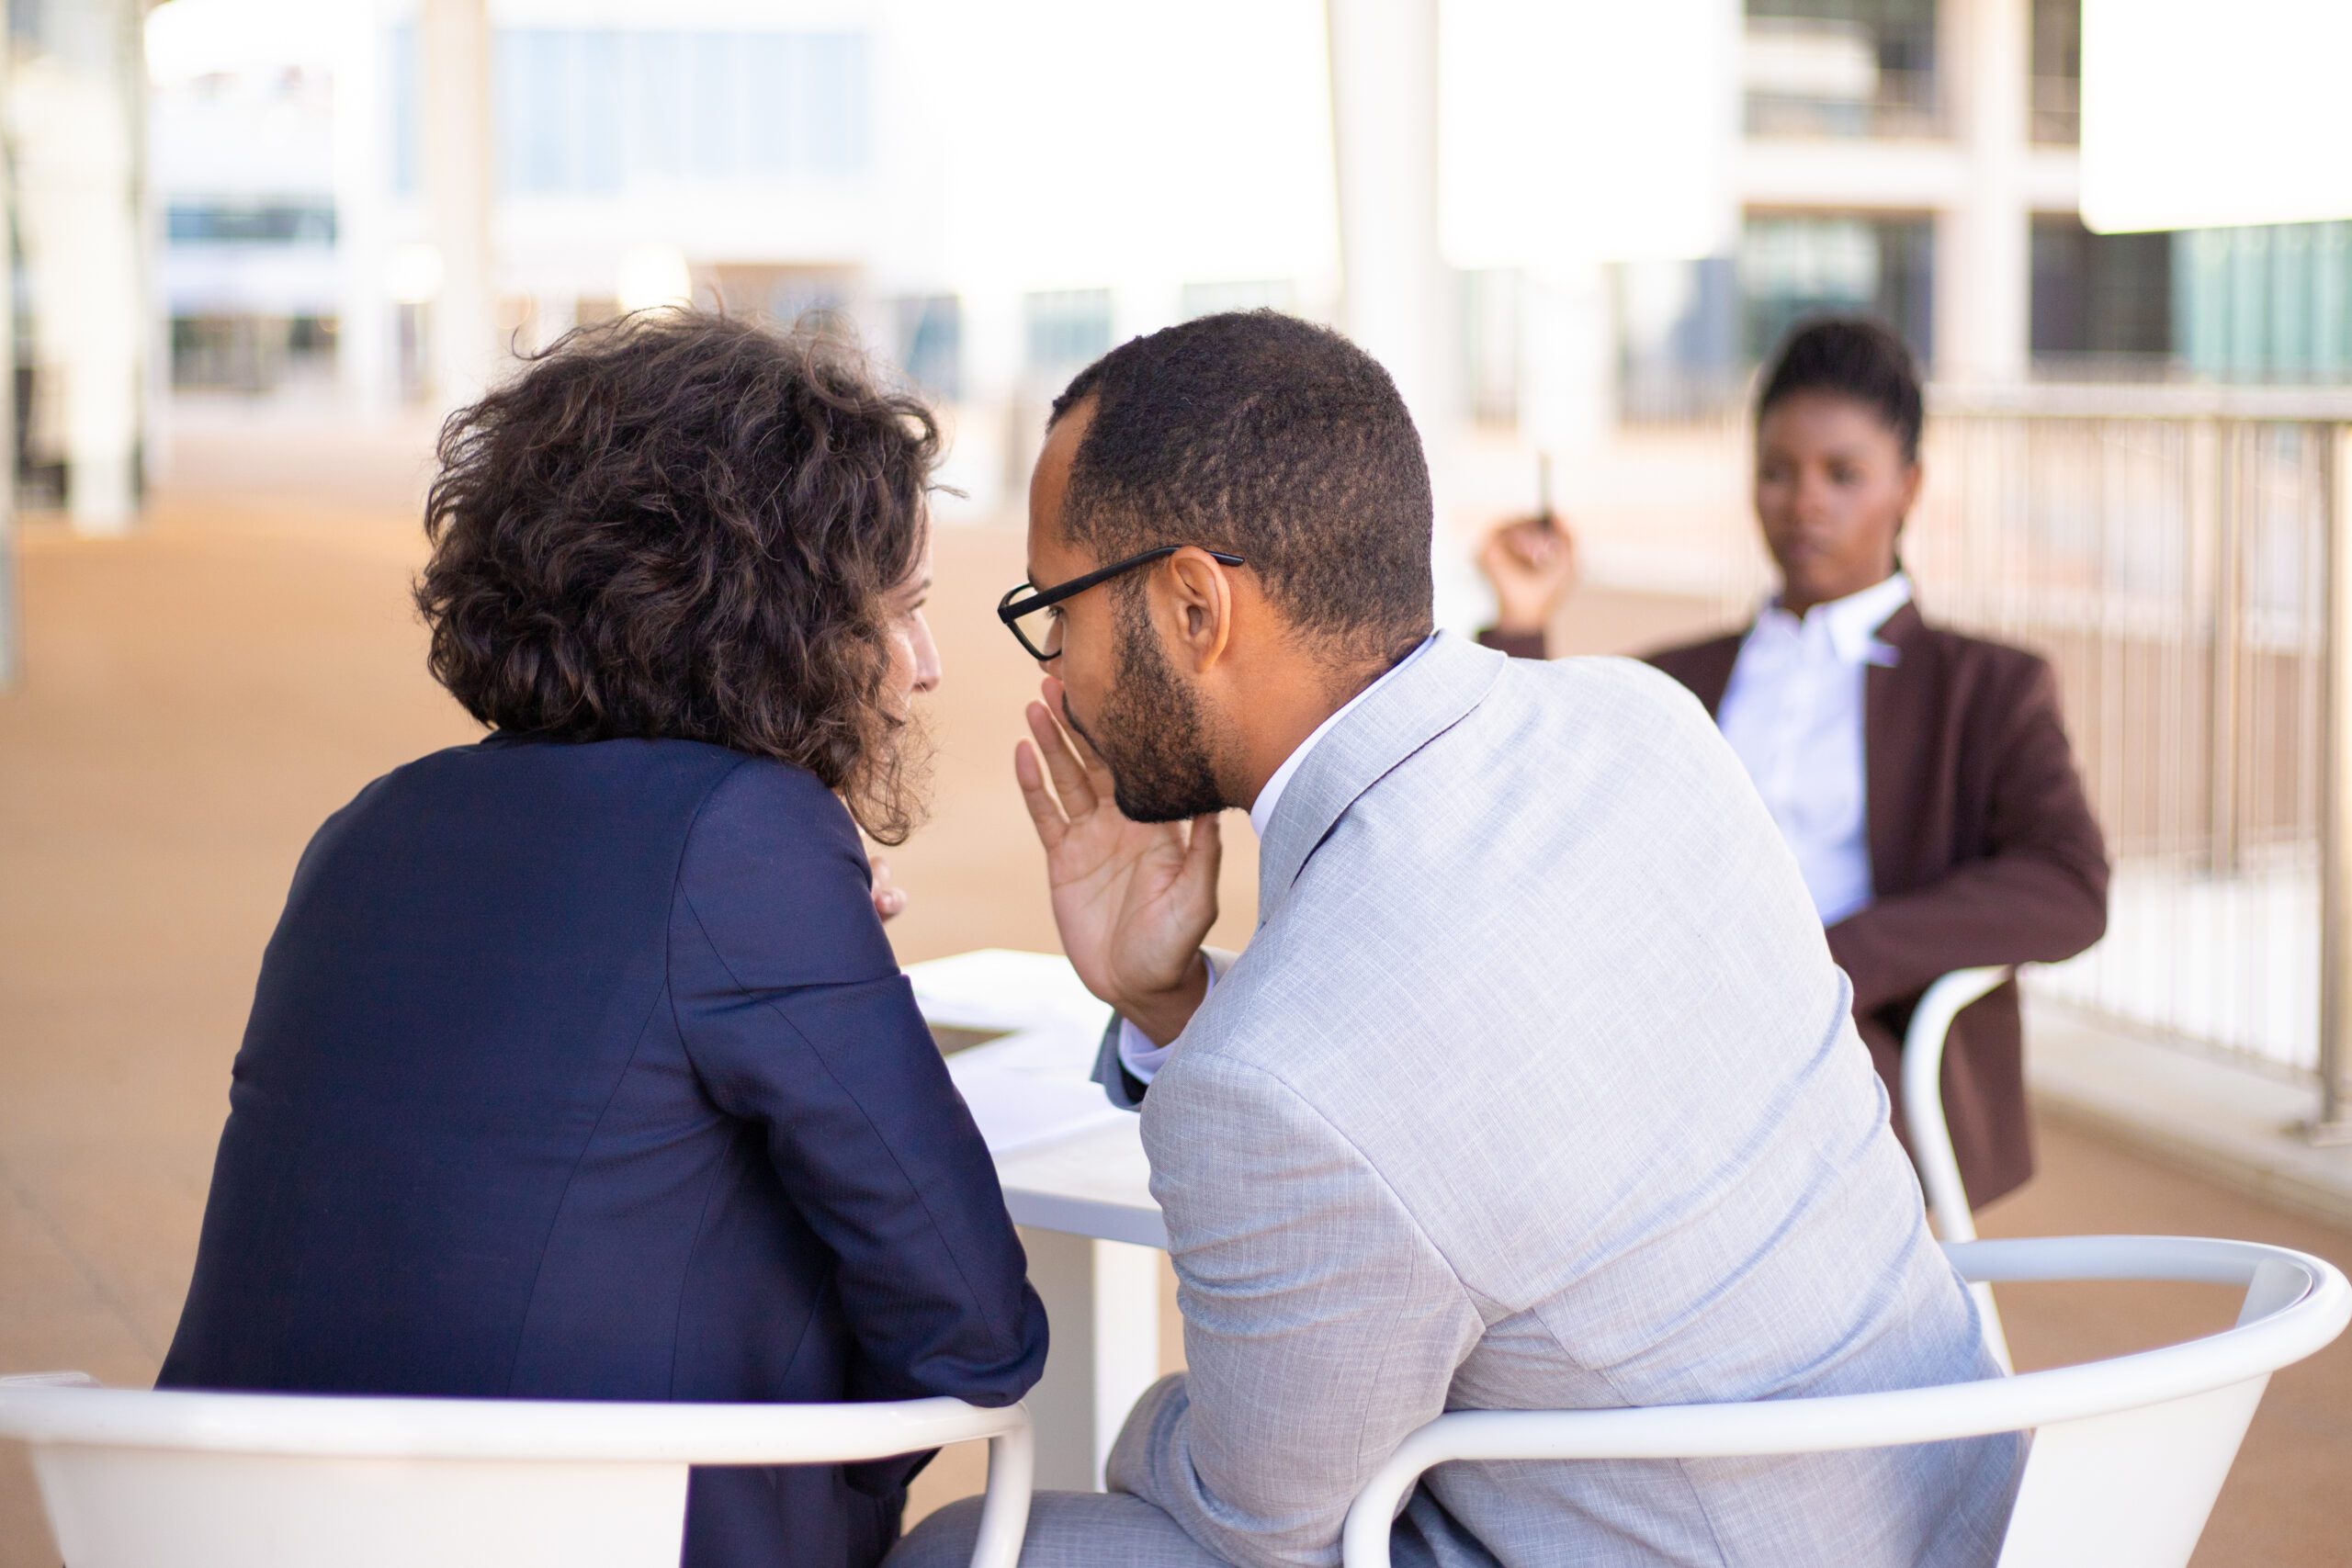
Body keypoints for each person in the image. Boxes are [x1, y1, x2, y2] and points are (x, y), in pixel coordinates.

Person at [895, 310, 2018, 1568]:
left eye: (1059, 608)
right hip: (1977, 1492)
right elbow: (1466, 1097)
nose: (1057, 676)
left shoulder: (1284, 1073)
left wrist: (1141, 1426)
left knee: (973, 1547)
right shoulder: (1648, 723)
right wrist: (1166, 1000)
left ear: (1196, 603)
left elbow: (1258, 1521)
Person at [158, 310, 1049, 1568]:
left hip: (230, 1532)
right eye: (896, 611)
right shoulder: (749, 837)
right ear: (773, 621)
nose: (928, 664)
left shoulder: (367, 828)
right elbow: (977, 1330)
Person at [1476, 314, 2108, 1212]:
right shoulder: (1676, 682)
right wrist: (1520, 617)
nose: (1802, 502)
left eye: (1841, 474)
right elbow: (1529, 806)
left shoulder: (1987, 687)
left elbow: (2068, 886)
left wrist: (1830, 962)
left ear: (1908, 488)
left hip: (1857, 1050)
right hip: (1673, 1035)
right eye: (1776, 472)